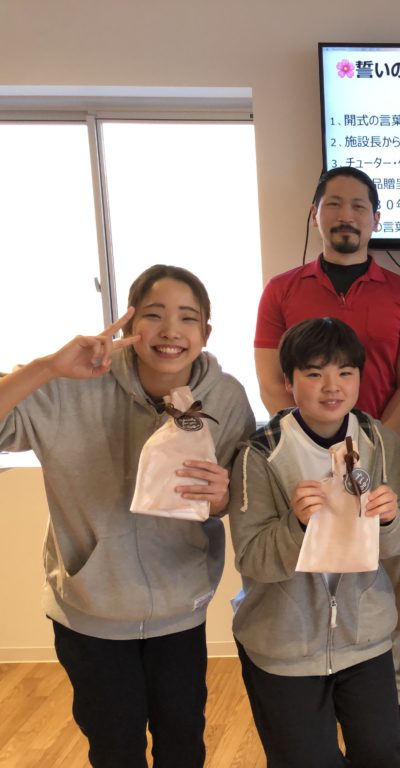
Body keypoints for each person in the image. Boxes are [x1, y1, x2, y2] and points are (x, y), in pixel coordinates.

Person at [0, 264, 255, 766]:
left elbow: (238, 496)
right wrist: (47, 368)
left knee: (183, 742)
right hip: (91, 613)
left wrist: (222, 498)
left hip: (181, 609)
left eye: (187, 318)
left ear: (206, 331)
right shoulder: (69, 385)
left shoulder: (226, 396)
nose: (170, 331)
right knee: (114, 748)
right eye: (154, 315)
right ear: (129, 324)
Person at [254, 165, 400, 721]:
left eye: (358, 206)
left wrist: (375, 446)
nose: (346, 215)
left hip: (382, 458)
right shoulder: (281, 289)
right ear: (316, 215)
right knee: (306, 572)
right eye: (333, 204)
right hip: (299, 460)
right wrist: (307, 446)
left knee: (388, 575)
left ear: (376, 217)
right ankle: (316, 686)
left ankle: (389, 691)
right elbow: (270, 380)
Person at [229, 317, 400, 767]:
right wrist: (297, 525)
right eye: (314, 373)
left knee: (382, 752)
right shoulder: (260, 452)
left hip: (364, 637)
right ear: (288, 382)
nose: (332, 386)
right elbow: (252, 558)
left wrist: (389, 520)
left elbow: (397, 546)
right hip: (284, 646)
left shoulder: (380, 443)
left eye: (345, 372)